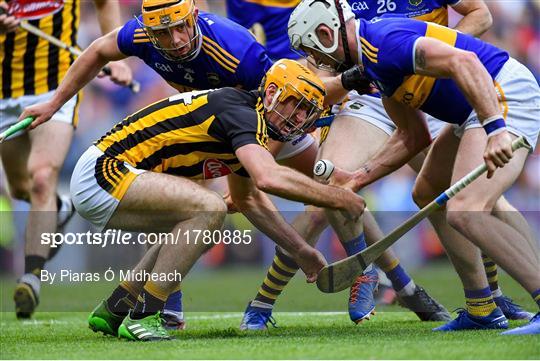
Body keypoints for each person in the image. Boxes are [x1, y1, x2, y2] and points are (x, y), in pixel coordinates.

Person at [19, 0, 318, 329]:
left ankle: (120, 306)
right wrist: (53, 104)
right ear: (149, 30)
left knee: (312, 172)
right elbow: (97, 51)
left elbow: (273, 112)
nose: (175, 40)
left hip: (237, 127)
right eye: (163, 33)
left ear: (194, 16)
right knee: (203, 212)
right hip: (178, 139)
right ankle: (153, 312)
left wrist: (259, 164)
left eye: (180, 28)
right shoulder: (140, 36)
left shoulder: (238, 51)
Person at [240, 0, 531, 330]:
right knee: (338, 188)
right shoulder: (336, 19)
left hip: (437, 83)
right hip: (373, 88)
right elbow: (326, 64)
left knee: (475, 201)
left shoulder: (391, 43)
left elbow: (478, 23)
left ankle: (494, 295)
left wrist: (426, 59)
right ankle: (268, 301)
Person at [65, 59, 365, 341]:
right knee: (209, 208)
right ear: (271, 93)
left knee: (199, 224)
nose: (300, 118)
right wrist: (337, 198)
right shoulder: (244, 114)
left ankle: (117, 307)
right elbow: (268, 177)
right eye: (295, 104)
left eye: (306, 111)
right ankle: (145, 315)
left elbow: (248, 199)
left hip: (104, 176)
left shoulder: (249, 125)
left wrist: (300, 250)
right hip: (104, 172)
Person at [0, 0, 133, 319]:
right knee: (20, 190)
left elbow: (104, 3)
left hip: (57, 86)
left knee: (42, 177)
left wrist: (112, 48)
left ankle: (32, 276)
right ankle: (58, 208)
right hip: (4, 91)